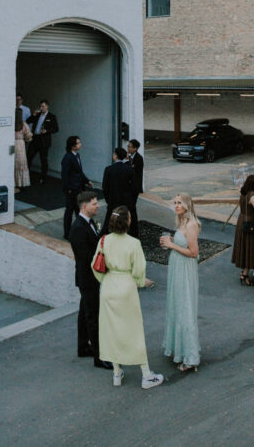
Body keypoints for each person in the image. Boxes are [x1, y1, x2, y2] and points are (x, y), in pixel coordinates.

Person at [91, 205, 164, 390]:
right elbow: (139, 270)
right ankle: (146, 375)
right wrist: (139, 282)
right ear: (127, 222)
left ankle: (117, 373)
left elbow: (95, 266)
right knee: (134, 331)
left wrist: (106, 280)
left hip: (108, 286)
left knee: (111, 331)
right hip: (126, 287)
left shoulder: (104, 240)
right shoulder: (134, 243)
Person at [68, 191, 112, 371]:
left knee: (84, 312)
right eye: (94, 203)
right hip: (88, 278)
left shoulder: (88, 223)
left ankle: (83, 346)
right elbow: (86, 257)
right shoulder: (79, 228)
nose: (97, 206)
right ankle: (99, 356)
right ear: (85, 206)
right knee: (93, 316)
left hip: (88, 277)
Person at [160, 193, 201, 372]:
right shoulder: (181, 221)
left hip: (185, 269)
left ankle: (191, 358)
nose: (176, 205)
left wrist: (172, 245)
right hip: (177, 267)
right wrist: (171, 241)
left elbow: (194, 252)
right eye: (175, 203)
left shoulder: (192, 224)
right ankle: (179, 348)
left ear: (187, 206)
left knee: (185, 308)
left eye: (179, 203)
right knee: (176, 306)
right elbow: (181, 244)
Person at [231, 173, 254, 286]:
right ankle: (245, 274)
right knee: (250, 247)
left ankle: (244, 272)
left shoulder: (243, 193)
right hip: (249, 221)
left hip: (241, 219)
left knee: (243, 247)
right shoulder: (252, 195)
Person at [61, 136, 92, 240]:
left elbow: (79, 172)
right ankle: (67, 234)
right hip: (72, 189)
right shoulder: (67, 158)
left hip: (78, 188)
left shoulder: (77, 155)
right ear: (73, 146)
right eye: (78, 143)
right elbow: (64, 175)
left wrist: (87, 181)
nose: (80, 145)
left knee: (78, 211)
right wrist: (68, 189)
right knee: (69, 212)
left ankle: (78, 232)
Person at [101, 147, 135, 235]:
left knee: (109, 222)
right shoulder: (129, 169)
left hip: (113, 200)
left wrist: (108, 200)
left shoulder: (109, 169)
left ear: (115, 156)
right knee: (126, 220)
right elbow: (133, 187)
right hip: (126, 201)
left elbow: (105, 187)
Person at [26, 99, 59, 183]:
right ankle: (26, 175)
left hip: (44, 140)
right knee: (29, 156)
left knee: (43, 159)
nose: (41, 108)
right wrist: (33, 115)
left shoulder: (51, 116)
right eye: (40, 106)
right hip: (35, 138)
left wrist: (47, 131)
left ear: (47, 106)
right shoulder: (37, 115)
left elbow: (56, 129)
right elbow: (28, 121)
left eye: (43, 106)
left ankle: (43, 177)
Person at [13, 107, 31, 191]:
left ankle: (13, 184)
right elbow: (28, 136)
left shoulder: (12, 123)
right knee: (20, 164)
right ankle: (19, 183)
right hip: (20, 144)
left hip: (12, 143)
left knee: (13, 164)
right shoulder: (23, 124)